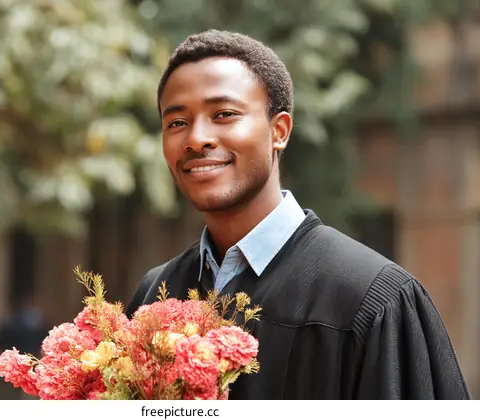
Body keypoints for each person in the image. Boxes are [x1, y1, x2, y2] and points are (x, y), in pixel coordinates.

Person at [125, 30, 470, 400]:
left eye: (223, 114)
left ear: (279, 131)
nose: (196, 139)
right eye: (176, 123)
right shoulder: (155, 295)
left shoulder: (372, 297)